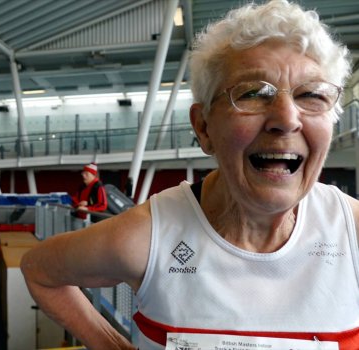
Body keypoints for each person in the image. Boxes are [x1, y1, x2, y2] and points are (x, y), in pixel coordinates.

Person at [21, 1, 358, 350]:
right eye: (253, 94)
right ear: (203, 127)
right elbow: (39, 270)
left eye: (312, 95)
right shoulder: (148, 238)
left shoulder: (353, 235)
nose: (287, 119)